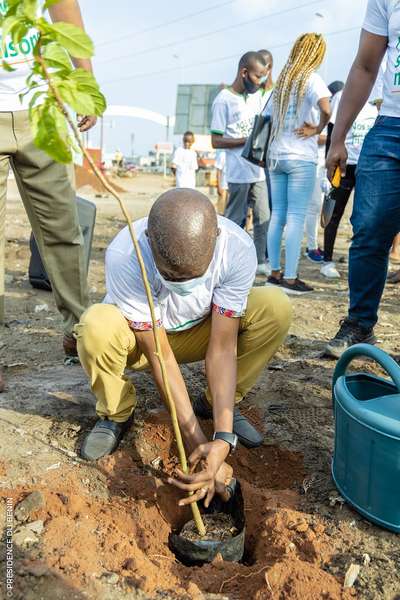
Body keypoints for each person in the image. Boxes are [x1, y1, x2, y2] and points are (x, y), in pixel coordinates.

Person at [76, 190, 292, 508]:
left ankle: (216, 404)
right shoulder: (127, 253)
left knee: (275, 307)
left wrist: (222, 438)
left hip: (201, 333)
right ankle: (116, 413)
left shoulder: (237, 248)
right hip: (141, 340)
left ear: (216, 238)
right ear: (149, 240)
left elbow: (222, 348)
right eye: (170, 276)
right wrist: (199, 447)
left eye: (194, 275)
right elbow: (159, 355)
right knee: (96, 326)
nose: (182, 284)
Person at [0, 0, 97, 392]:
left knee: (62, 228)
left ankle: (80, 329)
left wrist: (84, 81)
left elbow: (65, 11)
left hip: (41, 109)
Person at [325, 0, 400, 358]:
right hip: (390, 128)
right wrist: (338, 137)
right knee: (369, 228)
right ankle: (359, 324)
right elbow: (366, 66)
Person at [265, 33, 331, 295]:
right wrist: (317, 129)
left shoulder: (282, 82)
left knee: (277, 215)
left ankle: (274, 273)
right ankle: (291, 279)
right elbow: (327, 108)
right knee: (295, 217)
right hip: (300, 157)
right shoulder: (311, 79)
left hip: (276, 155)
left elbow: (268, 117)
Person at [210, 52, 270, 276]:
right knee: (235, 221)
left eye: (263, 77)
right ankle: (225, 262)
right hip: (237, 172)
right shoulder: (223, 100)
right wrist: (246, 141)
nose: (260, 82)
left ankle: (259, 260)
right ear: (244, 72)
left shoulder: (258, 97)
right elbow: (216, 140)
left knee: (264, 216)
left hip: (259, 171)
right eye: (257, 77)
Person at [320, 95, 378, 279]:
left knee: (363, 217)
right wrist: (327, 164)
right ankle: (327, 261)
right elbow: (331, 130)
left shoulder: (376, 102)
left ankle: (358, 261)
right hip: (344, 166)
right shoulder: (343, 96)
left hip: (366, 166)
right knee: (334, 214)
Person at [215, 150, 228, 214]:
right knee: (221, 212)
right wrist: (219, 186)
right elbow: (218, 171)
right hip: (223, 186)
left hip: (234, 186)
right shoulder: (222, 154)